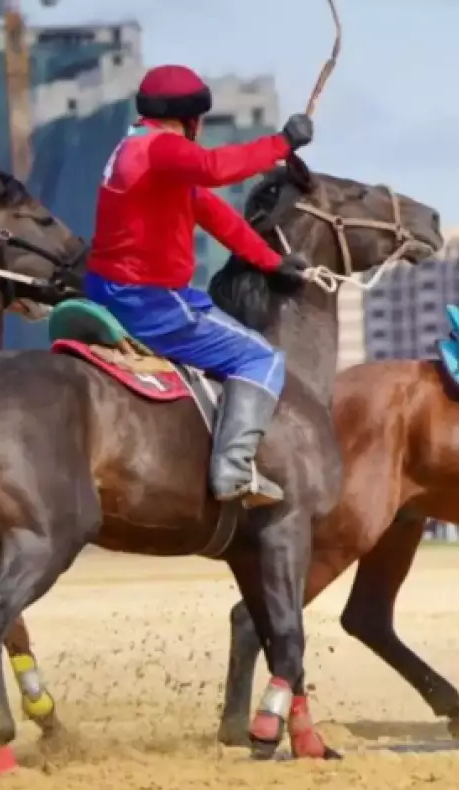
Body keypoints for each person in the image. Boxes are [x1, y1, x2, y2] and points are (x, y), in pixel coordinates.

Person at [85, 64, 315, 508]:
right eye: (201, 120)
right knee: (261, 357)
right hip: (151, 303)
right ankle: (232, 472)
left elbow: (215, 214)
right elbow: (213, 168)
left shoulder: (133, 148)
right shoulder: (160, 149)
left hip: (106, 289)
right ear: (190, 119)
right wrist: (282, 144)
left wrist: (271, 262)